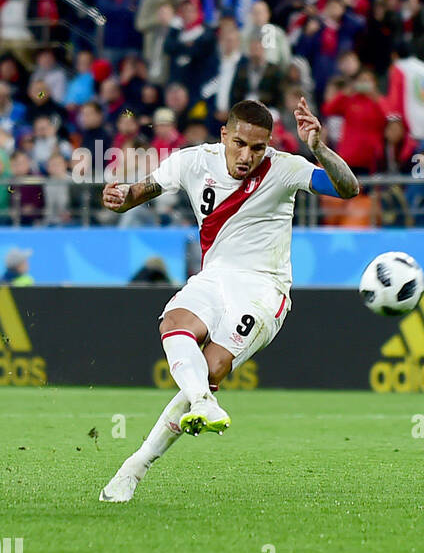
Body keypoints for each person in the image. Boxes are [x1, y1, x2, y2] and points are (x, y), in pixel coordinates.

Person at [98, 98, 359, 503]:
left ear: (268, 144)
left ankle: (136, 466)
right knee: (172, 323)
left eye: (257, 148)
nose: (247, 156)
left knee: (212, 365)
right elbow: (140, 192)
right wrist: (119, 197)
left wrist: (320, 148)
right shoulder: (194, 162)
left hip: (263, 289)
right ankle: (202, 403)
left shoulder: (285, 168)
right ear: (224, 135)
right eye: (239, 144)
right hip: (215, 277)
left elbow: (348, 188)